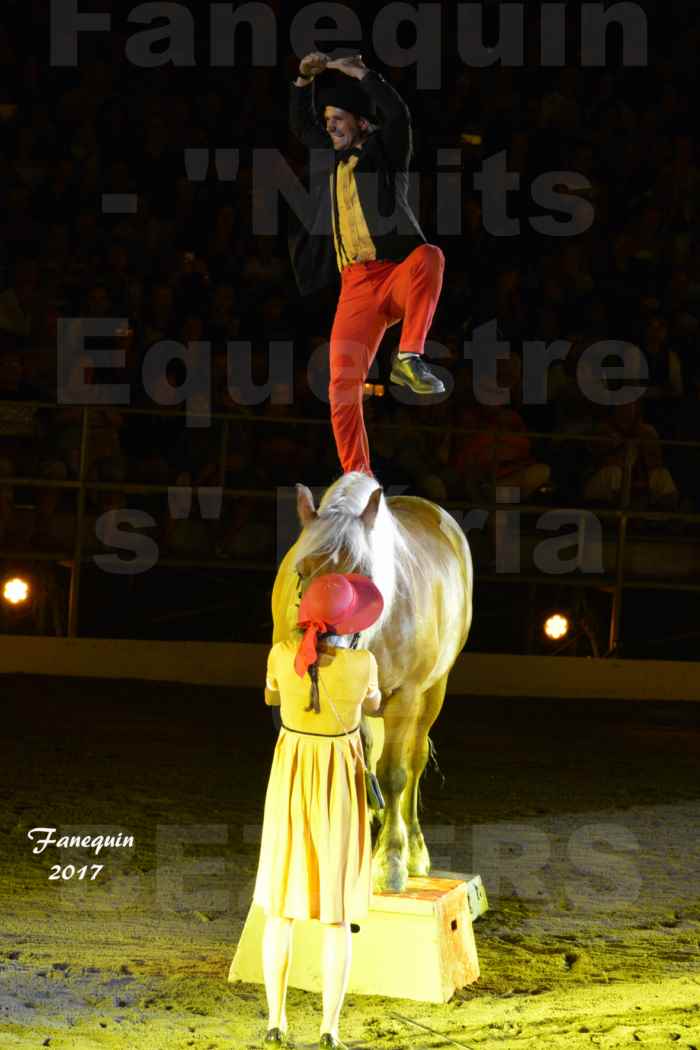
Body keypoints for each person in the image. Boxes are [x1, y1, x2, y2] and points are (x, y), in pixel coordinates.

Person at [288, 51, 446, 476]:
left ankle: (409, 357)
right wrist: (305, 78)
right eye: (329, 118)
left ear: (361, 122)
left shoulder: (384, 154)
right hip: (355, 286)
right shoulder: (330, 156)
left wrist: (362, 74)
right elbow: (302, 125)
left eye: (339, 117)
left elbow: (398, 115)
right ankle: (359, 476)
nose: (331, 124)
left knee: (430, 256)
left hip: (393, 273)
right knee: (341, 385)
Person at [253, 573, 384, 1049]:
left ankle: (275, 1020)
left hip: (291, 778)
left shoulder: (279, 654)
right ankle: (329, 1028)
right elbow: (374, 705)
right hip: (337, 783)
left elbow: (272, 694)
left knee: (279, 913)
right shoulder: (362, 662)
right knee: (336, 917)